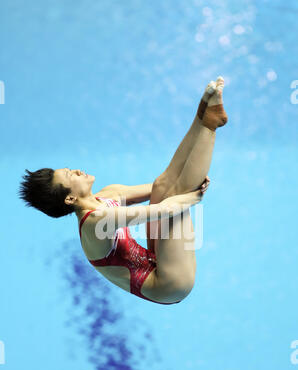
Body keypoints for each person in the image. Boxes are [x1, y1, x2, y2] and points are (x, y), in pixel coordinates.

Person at [19, 77, 228, 305]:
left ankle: (200, 118)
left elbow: (162, 187)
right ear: (70, 198)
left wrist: (191, 180)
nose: (78, 171)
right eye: (71, 176)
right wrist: (194, 195)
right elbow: (163, 210)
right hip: (169, 284)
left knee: (162, 185)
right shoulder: (95, 223)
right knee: (176, 200)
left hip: (157, 259)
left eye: (71, 169)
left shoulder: (107, 194)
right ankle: (210, 126)